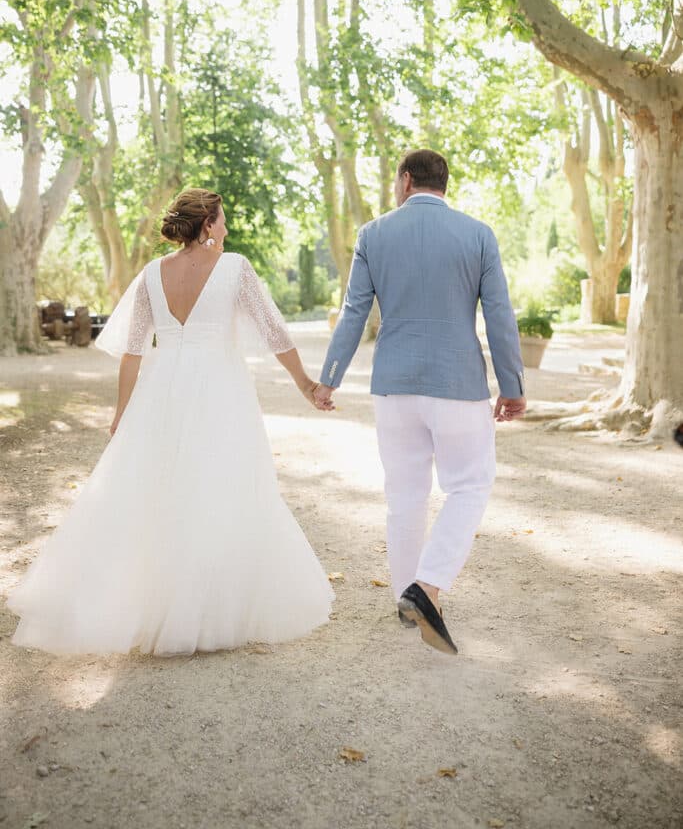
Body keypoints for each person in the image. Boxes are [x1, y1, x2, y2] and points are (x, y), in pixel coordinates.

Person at [8, 189, 333, 656]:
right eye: (222, 220)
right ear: (207, 225)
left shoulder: (151, 274)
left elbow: (133, 351)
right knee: (221, 486)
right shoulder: (234, 267)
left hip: (161, 390)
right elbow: (274, 332)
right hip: (219, 389)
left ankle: (158, 603)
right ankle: (205, 605)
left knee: (161, 490)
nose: (226, 228)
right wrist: (305, 384)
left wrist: (122, 413)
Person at [313, 149, 526, 656]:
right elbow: (499, 313)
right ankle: (425, 587)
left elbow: (353, 313)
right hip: (459, 385)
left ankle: (406, 597)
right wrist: (512, 385)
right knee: (470, 485)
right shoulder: (478, 235)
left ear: (406, 180)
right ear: (441, 183)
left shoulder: (373, 234)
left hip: (394, 385)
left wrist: (329, 379)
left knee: (405, 495)